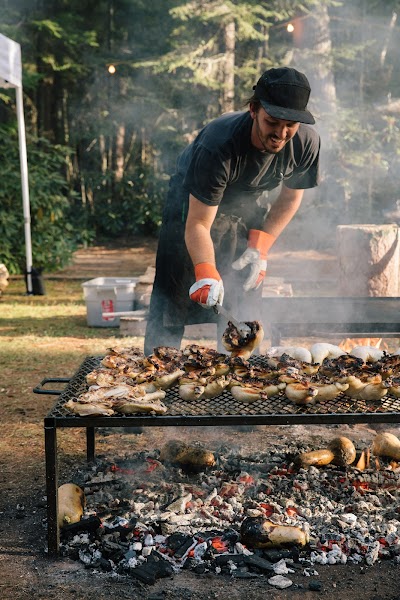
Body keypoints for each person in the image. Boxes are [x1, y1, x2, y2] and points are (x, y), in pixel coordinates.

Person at [144, 66, 320, 355]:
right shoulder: (219, 145)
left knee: (243, 294)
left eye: (291, 125)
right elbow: (198, 223)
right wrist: (206, 271)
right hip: (192, 210)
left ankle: (236, 369)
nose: (281, 134)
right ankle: (156, 367)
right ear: (253, 109)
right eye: (272, 122)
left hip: (248, 208)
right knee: (173, 294)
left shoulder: (306, 144)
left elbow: (289, 200)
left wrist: (260, 248)